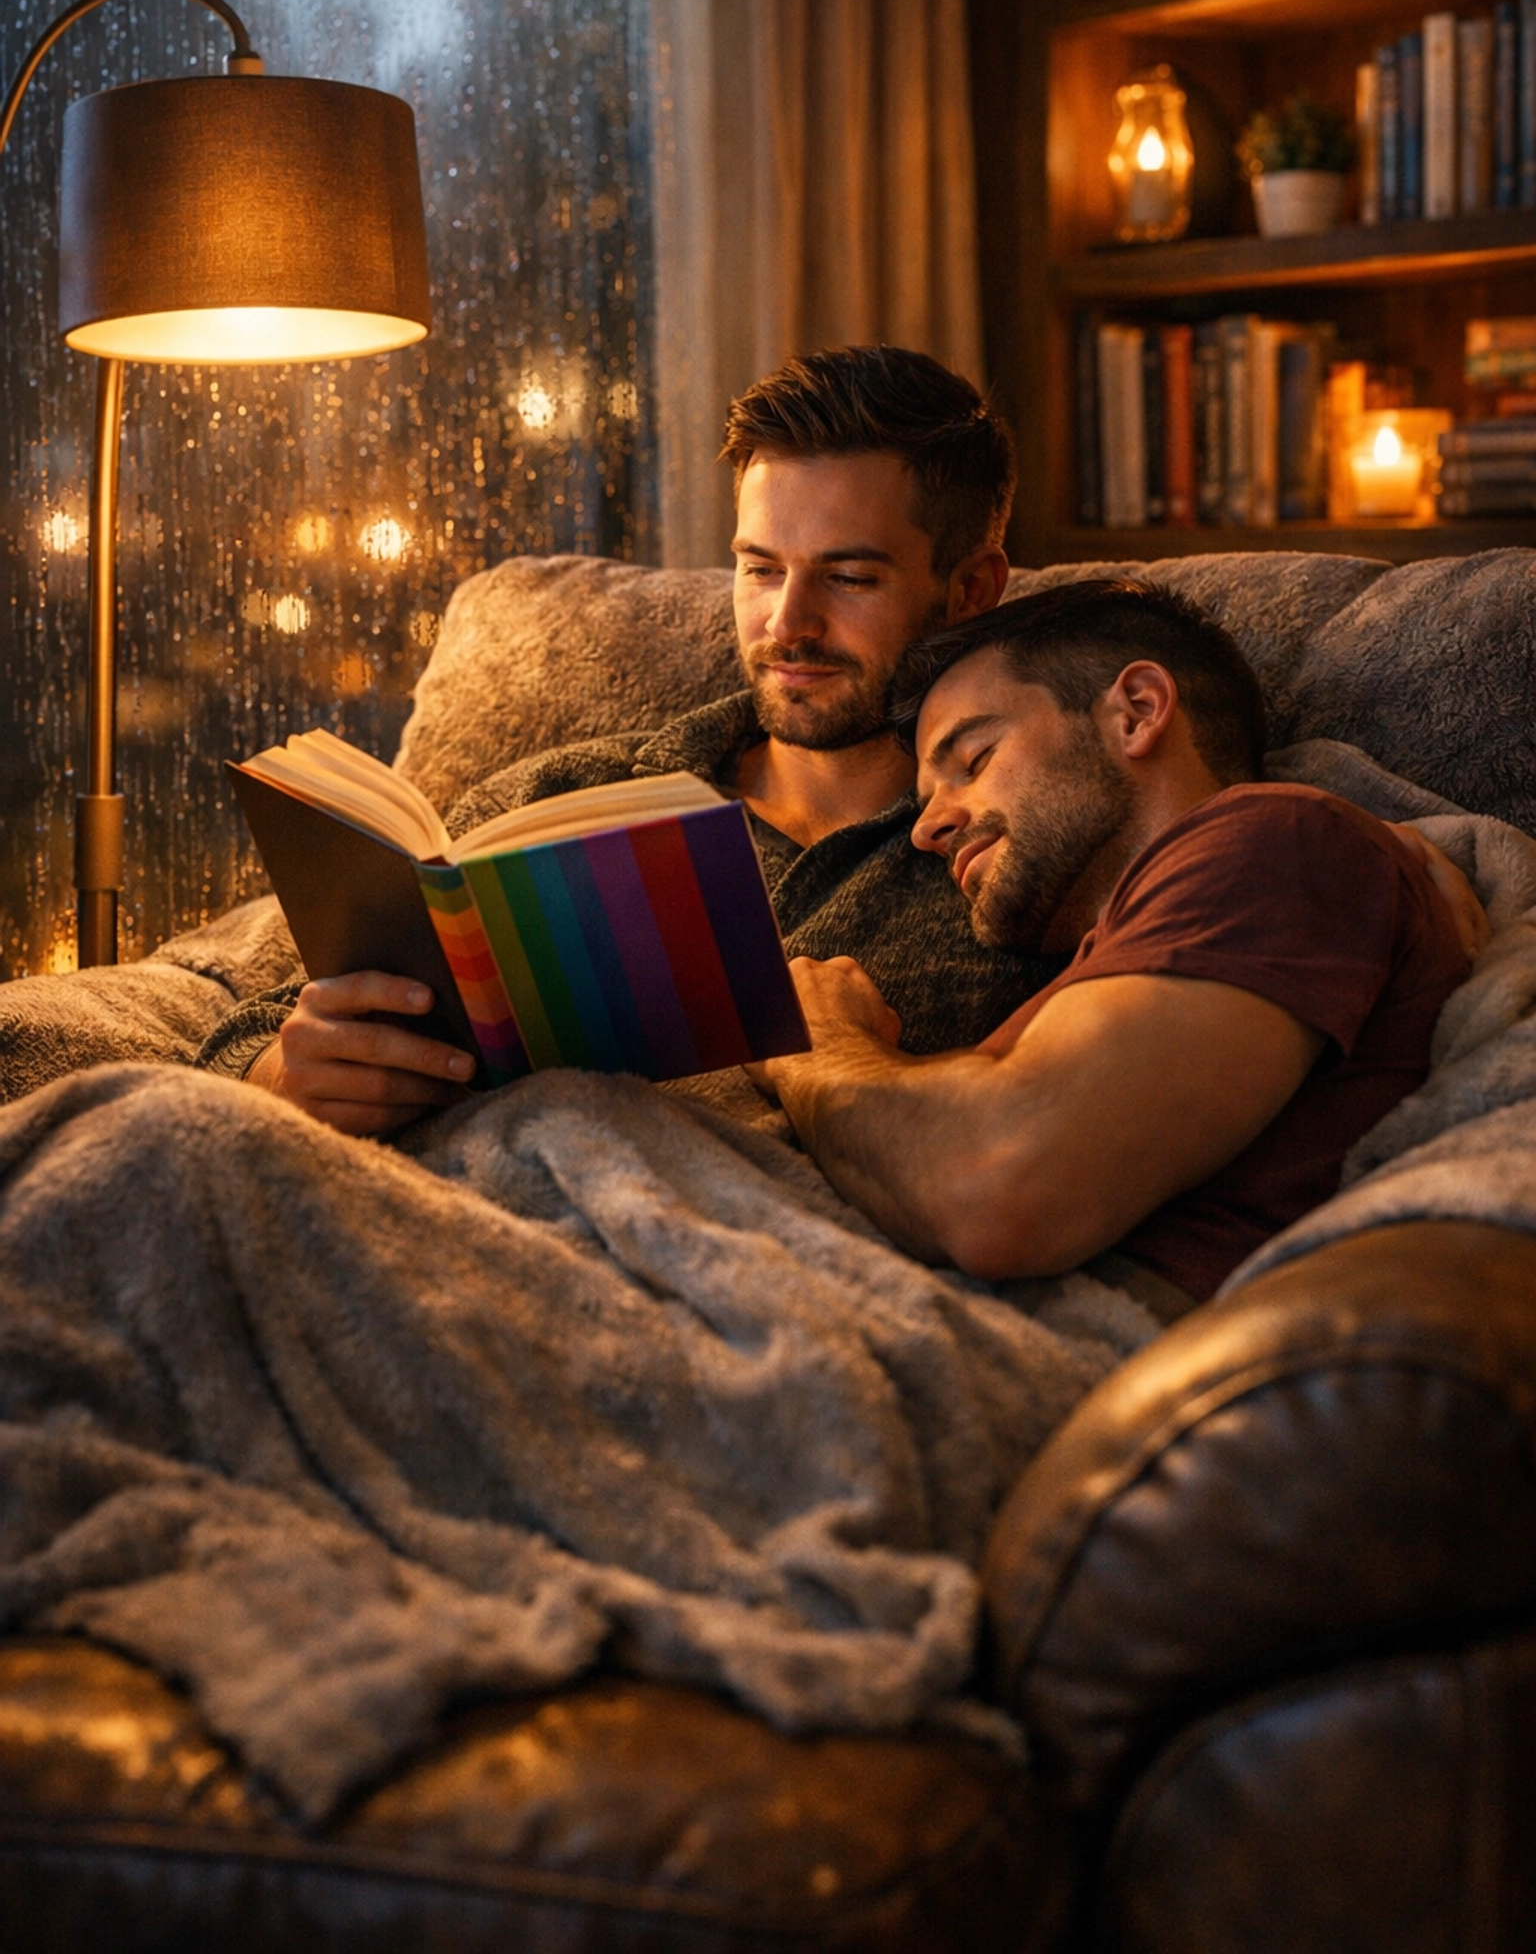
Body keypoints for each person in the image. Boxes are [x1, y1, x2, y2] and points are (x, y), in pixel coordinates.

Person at [200, 344, 1051, 1134]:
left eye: (850, 577)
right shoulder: (558, 800)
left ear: (973, 587)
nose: (788, 624)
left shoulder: (1010, 861)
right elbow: (247, 1028)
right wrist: (288, 1072)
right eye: (759, 570)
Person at [757, 580, 1472, 1318]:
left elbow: (997, 1187)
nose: (925, 829)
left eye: (973, 760)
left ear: (1136, 711)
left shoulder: (1280, 839)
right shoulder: (1131, 944)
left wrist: (812, 1037)